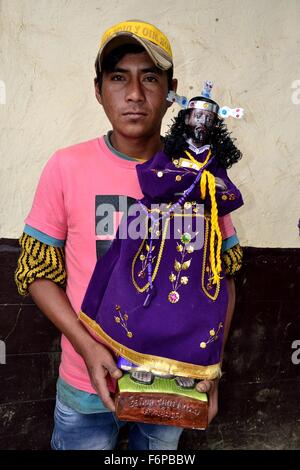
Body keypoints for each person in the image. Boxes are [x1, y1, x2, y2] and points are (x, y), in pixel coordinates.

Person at [15, 20, 242, 450]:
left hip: (172, 385)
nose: (135, 93)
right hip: (85, 383)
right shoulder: (67, 166)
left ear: (172, 90)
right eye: (118, 77)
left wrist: (211, 366)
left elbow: (222, 278)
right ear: (98, 90)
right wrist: (87, 348)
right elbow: (36, 271)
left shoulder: (202, 178)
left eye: (150, 77)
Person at [79, 81, 244, 392]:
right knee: (149, 297)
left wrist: (205, 184)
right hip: (162, 236)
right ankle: (139, 361)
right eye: (196, 117)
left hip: (198, 243)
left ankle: (186, 364)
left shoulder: (213, 161)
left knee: (192, 306)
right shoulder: (172, 152)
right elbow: (151, 178)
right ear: (186, 120)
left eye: (208, 119)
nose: (201, 123)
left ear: (215, 125)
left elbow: (229, 194)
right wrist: (194, 182)